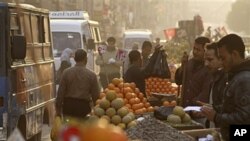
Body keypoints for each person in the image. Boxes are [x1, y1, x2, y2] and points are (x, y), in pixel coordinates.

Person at [201, 34, 250, 141]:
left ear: (234, 54)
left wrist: (216, 117)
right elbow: (232, 106)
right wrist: (215, 108)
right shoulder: (236, 76)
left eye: (223, 58)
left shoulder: (244, 80)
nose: (221, 63)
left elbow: (244, 119)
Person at [56, 49, 100, 119]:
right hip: (83, 108)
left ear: (74, 59)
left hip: (68, 107)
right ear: (86, 59)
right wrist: (97, 110)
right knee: (82, 128)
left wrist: (58, 111)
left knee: (69, 128)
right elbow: (96, 96)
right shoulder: (91, 75)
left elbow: (60, 93)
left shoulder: (66, 73)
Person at [175, 36, 211, 107]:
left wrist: (192, 105)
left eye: (198, 50)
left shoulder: (209, 69)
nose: (195, 52)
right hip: (184, 109)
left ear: (205, 51)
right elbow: (178, 81)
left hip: (198, 111)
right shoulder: (189, 63)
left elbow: (205, 94)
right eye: (194, 48)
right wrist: (182, 66)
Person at [203, 42, 227, 128]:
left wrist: (214, 109)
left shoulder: (226, 80)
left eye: (210, 60)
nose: (206, 64)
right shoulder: (214, 78)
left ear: (220, 59)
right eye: (205, 60)